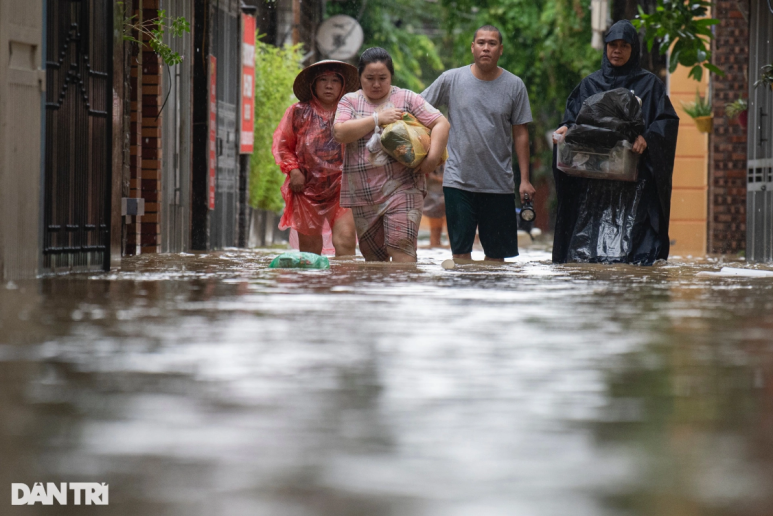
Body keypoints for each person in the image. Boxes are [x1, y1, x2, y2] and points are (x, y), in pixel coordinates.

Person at [551, 20, 679, 265]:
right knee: (589, 252)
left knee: (635, 254)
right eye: (612, 45)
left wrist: (648, 138)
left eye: (624, 46)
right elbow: (572, 120)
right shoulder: (589, 85)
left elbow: (666, 121)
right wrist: (566, 128)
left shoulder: (650, 85)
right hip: (594, 183)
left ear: (634, 50)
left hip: (636, 183)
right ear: (605, 47)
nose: (617, 51)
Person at [421, 25, 535, 263]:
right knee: (460, 256)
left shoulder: (514, 86)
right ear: (472, 47)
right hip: (458, 182)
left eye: (492, 43)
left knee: (496, 260)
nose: (486, 47)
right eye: (481, 42)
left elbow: (521, 134)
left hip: (499, 185)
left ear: (500, 50)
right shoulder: (451, 79)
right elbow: (419, 108)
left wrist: (524, 179)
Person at [333, 47, 450, 262]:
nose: (376, 84)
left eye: (382, 78)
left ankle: (403, 295)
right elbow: (340, 132)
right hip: (363, 193)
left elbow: (441, 122)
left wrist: (431, 160)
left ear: (391, 77)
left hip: (404, 187)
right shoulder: (349, 101)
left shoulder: (406, 97)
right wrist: (377, 119)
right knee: (373, 259)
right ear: (360, 77)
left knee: (401, 248)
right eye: (369, 78)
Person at [272, 60, 359, 256]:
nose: (329, 85)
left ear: (343, 85)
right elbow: (284, 145)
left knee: (345, 242)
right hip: (306, 189)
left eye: (335, 80)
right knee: (310, 251)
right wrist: (293, 170)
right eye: (323, 80)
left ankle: (342, 286)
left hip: (342, 187)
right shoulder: (298, 112)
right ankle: (313, 286)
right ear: (313, 84)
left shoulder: (350, 113)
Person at [423, 165, 447, 247]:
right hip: (434, 194)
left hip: (440, 193)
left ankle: (436, 249)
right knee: (436, 229)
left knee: (437, 229)